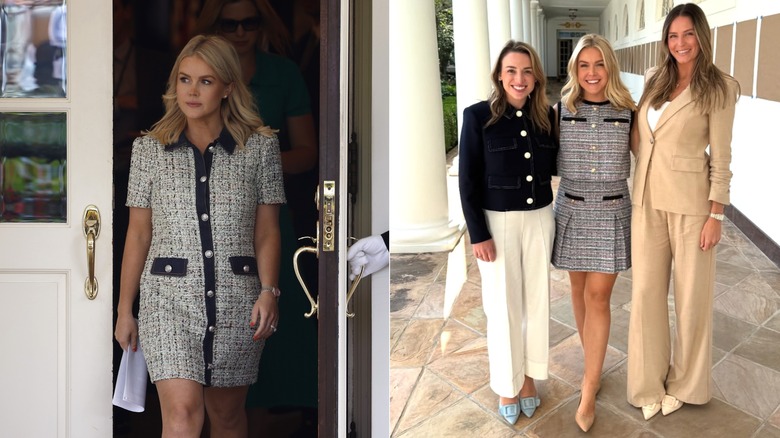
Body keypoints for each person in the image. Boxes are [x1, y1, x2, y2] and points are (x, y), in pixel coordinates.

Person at [113, 34, 285, 437]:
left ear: (227, 87)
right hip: (166, 302)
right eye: (185, 79)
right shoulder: (149, 150)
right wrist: (124, 309)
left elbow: (267, 230)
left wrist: (268, 290)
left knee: (226, 416)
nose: (192, 91)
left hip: (238, 300)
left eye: (206, 81)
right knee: (183, 415)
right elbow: (138, 234)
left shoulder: (261, 148)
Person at [195, 1, 319, 434]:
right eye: (230, 23)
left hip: (265, 216)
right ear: (215, 25)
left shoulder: (282, 74)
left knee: (267, 333)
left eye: (250, 21)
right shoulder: (195, 75)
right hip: (201, 218)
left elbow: (309, 152)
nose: (241, 31)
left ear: (263, 24)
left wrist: (252, 164)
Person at [627, 3, 739, 421]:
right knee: (645, 296)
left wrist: (717, 214)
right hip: (647, 201)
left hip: (693, 207)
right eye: (673, 36)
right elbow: (643, 135)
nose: (680, 43)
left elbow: (722, 157)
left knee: (691, 300)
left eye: (688, 34)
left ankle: (686, 383)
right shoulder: (656, 80)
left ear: (701, 36)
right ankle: (647, 382)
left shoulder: (721, 87)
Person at [458, 40, 558, 425]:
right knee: (501, 306)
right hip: (496, 223)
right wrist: (478, 233)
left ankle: (529, 377)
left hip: (539, 220)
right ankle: (506, 382)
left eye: (527, 71)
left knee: (536, 302)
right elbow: (467, 180)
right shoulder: (477, 116)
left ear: (536, 78)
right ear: (500, 76)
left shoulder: (546, 117)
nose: (519, 78)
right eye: (512, 71)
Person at [550, 33, 636, 432]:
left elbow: (651, 157)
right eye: (583, 65)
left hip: (612, 211)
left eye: (598, 64)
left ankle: (588, 387)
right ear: (575, 70)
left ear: (609, 67)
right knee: (578, 292)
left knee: (599, 297)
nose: (591, 73)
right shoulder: (559, 110)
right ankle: (594, 364)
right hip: (572, 209)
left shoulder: (629, 110)